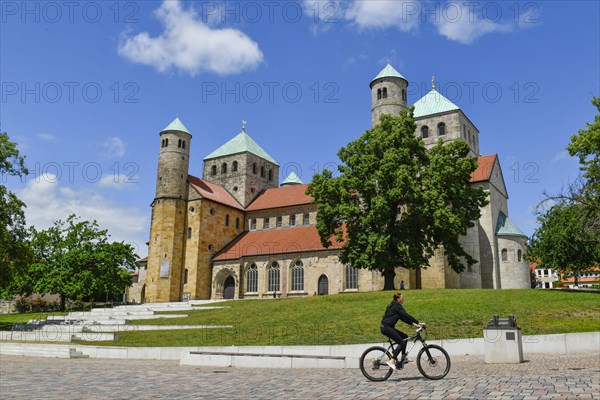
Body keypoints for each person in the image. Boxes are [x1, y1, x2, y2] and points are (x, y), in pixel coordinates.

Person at [380, 292, 422, 370]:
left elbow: (403, 318)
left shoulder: (395, 306)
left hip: (387, 327)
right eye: (402, 298)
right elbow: (406, 315)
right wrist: (418, 322)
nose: (403, 299)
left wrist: (413, 324)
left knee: (405, 337)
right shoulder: (397, 306)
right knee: (401, 342)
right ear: (398, 299)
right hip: (387, 328)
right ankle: (392, 361)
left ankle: (403, 357)